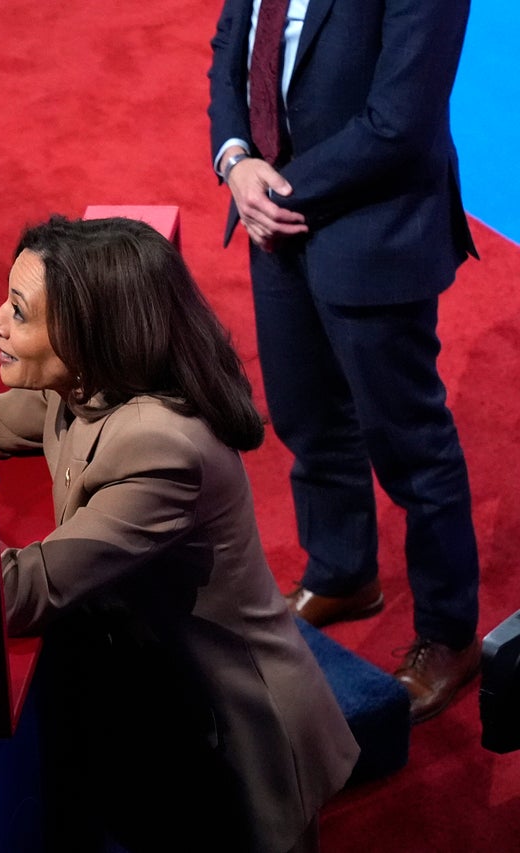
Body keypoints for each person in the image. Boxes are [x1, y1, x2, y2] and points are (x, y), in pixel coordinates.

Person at [0, 216, 357, 852]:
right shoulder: (80, 384)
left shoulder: (160, 446)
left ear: (85, 332)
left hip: (235, 736)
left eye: (18, 311)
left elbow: (22, 593)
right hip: (163, 704)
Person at [207, 0, 481, 723]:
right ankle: (342, 569)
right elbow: (234, 41)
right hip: (277, 219)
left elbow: (402, 121)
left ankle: (451, 634)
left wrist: (273, 190)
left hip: (371, 227)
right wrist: (235, 160)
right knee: (305, 411)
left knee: (410, 444)